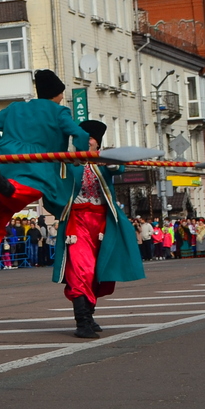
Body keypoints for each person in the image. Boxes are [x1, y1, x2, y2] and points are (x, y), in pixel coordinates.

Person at [0, 69, 90, 305]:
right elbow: (79, 133)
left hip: (0, 161)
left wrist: (4, 146)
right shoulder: (59, 111)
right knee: (30, 190)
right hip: (35, 164)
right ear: (58, 94)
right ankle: (6, 188)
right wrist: (80, 155)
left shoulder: (15, 108)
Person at [52, 121, 145, 339]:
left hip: (103, 224)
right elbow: (55, 178)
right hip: (77, 222)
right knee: (80, 270)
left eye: (90, 139)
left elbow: (118, 167)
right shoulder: (68, 162)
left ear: (97, 144)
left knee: (98, 272)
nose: (85, 142)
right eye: (82, 139)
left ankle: (89, 315)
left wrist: (105, 158)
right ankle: (82, 321)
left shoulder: (104, 162)